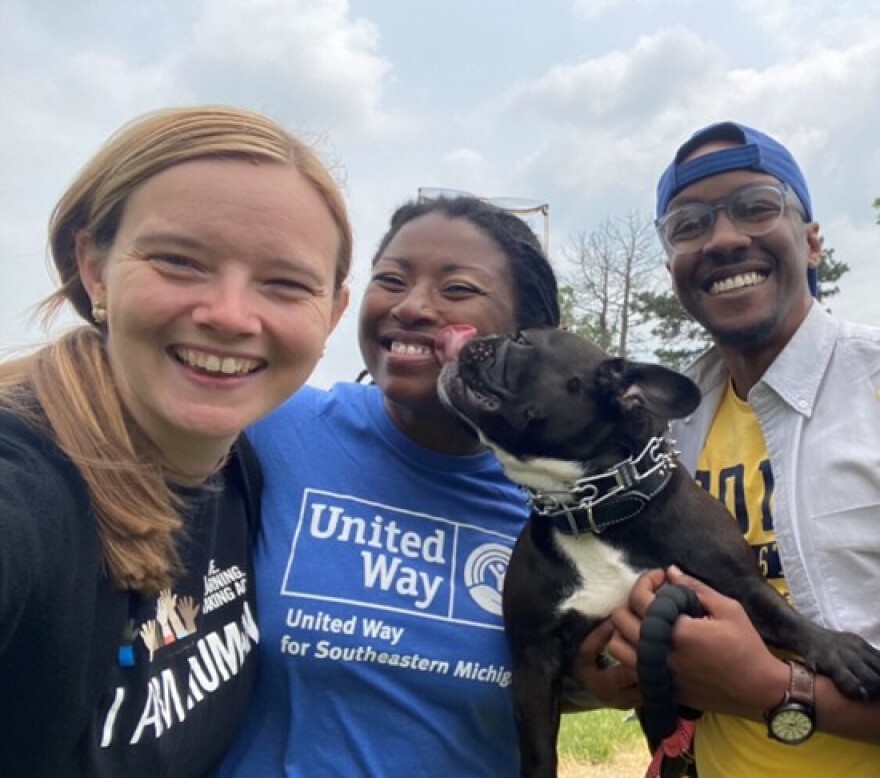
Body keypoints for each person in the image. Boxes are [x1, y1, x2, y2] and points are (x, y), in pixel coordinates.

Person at [0, 105, 351, 777]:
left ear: (332, 314)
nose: (228, 314)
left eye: (285, 283)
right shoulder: (29, 486)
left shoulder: (250, 466)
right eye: (179, 261)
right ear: (95, 267)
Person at [219, 195, 561, 776]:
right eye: (391, 279)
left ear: (527, 336)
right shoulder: (273, 428)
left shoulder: (554, 505)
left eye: (457, 290)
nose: (412, 306)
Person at [595, 121, 880, 776]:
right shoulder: (661, 430)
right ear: (673, 270)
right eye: (689, 225)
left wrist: (775, 691)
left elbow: (746, 682)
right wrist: (608, 672)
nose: (722, 238)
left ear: (812, 242)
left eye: (756, 207)